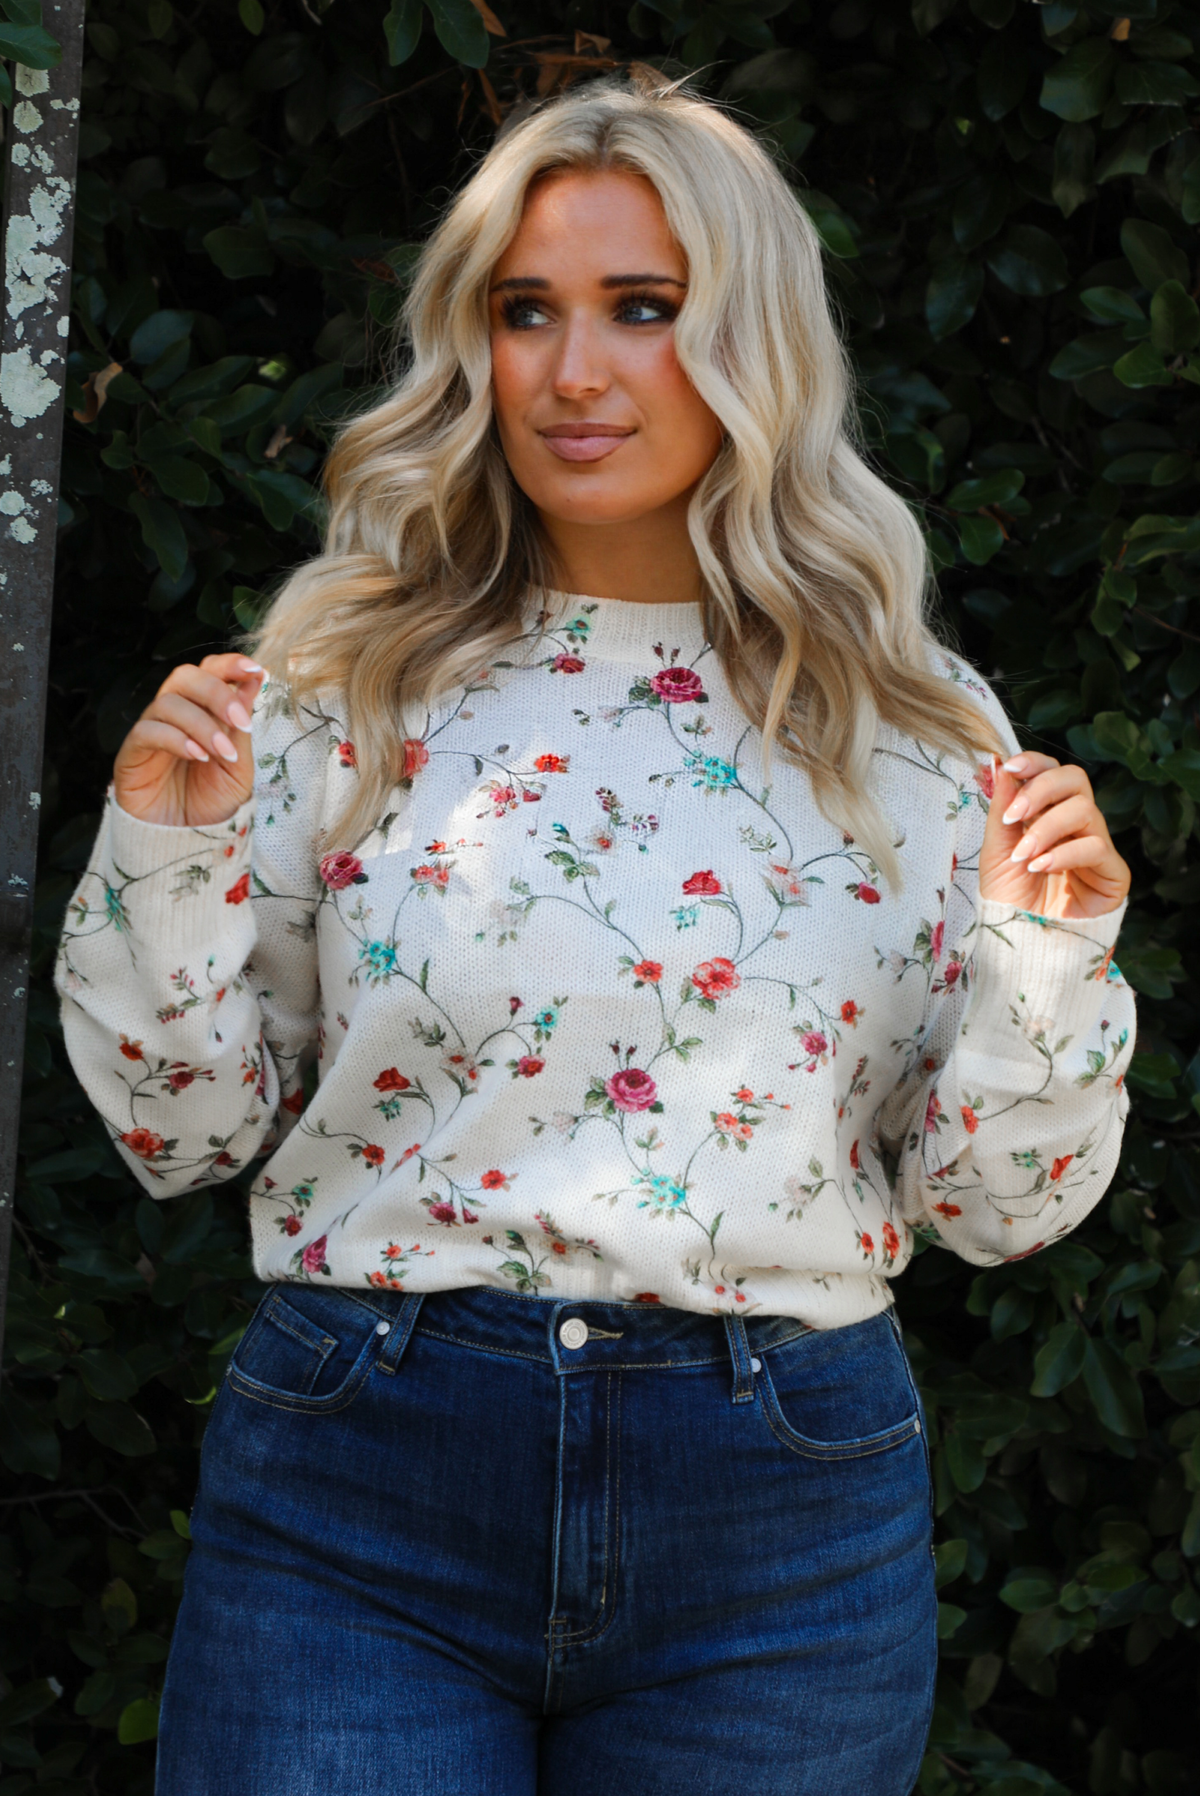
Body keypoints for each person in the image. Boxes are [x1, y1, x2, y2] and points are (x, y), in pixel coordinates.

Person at [56, 76, 1134, 1796]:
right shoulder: (341, 679)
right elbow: (184, 1138)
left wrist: (1053, 970)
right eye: (525, 312)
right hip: (364, 1488)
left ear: (754, 339)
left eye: (646, 311)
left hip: (783, 1522)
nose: (573, 372)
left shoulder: (917, 730)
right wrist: (161, 851)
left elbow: (992, 1212)